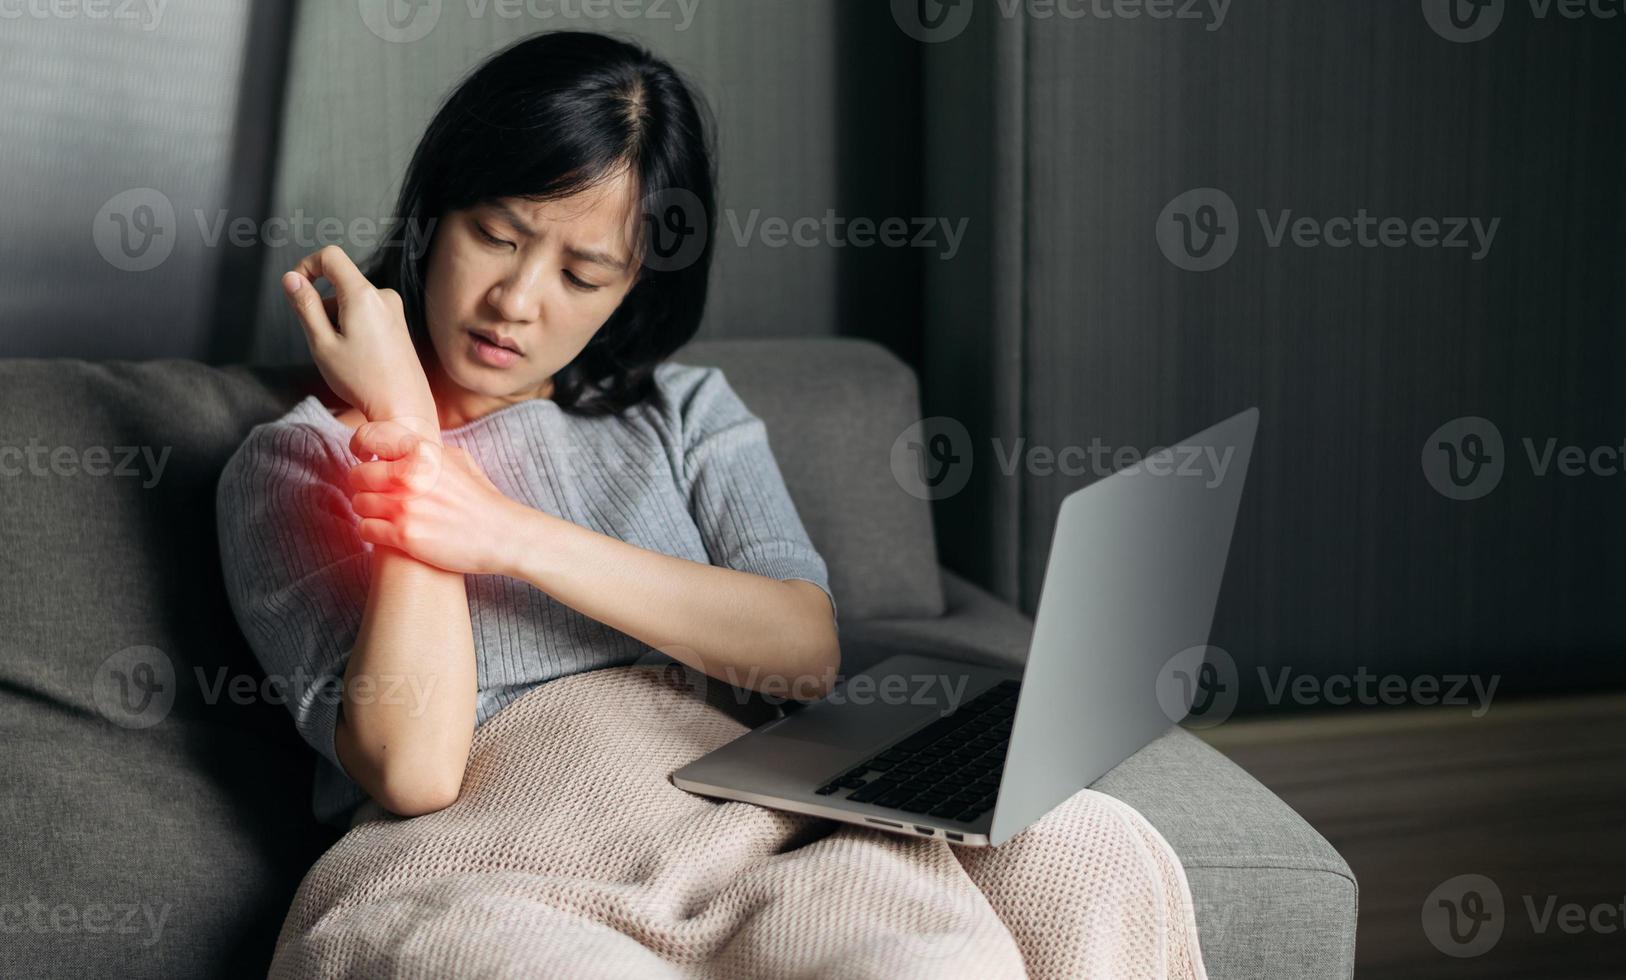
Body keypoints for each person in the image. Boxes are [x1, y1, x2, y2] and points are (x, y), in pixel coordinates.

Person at [215, 31, 840, 828]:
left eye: (582, 275)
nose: (515, 301)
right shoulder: (297, 463)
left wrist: (507, 534)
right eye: (498, 237)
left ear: (631, 289)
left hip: (729, 826)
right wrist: (409, 430)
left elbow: (804, 656)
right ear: (436, 215)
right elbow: (412, 768)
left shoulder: (684, 412)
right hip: (492, 859)